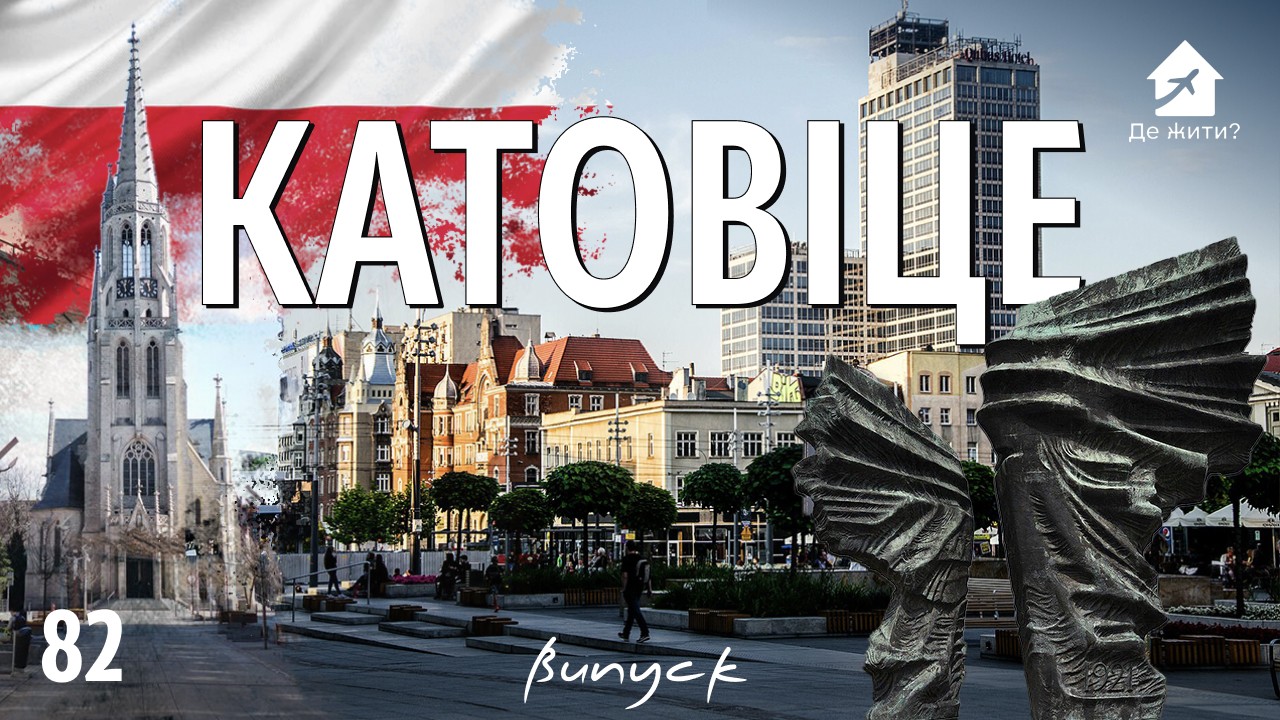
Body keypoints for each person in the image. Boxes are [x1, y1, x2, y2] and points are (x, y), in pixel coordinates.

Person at [617, 540, 651, 643]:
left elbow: (625, 576)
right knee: (632, 609)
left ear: (627, 548)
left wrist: (624, 588)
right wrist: (649, 589)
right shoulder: (642, 559)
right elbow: (649, 576)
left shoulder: (627, 559)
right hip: (640, 587)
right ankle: (626, 633)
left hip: (630, 587)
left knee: (635, 609)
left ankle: (645, 632)